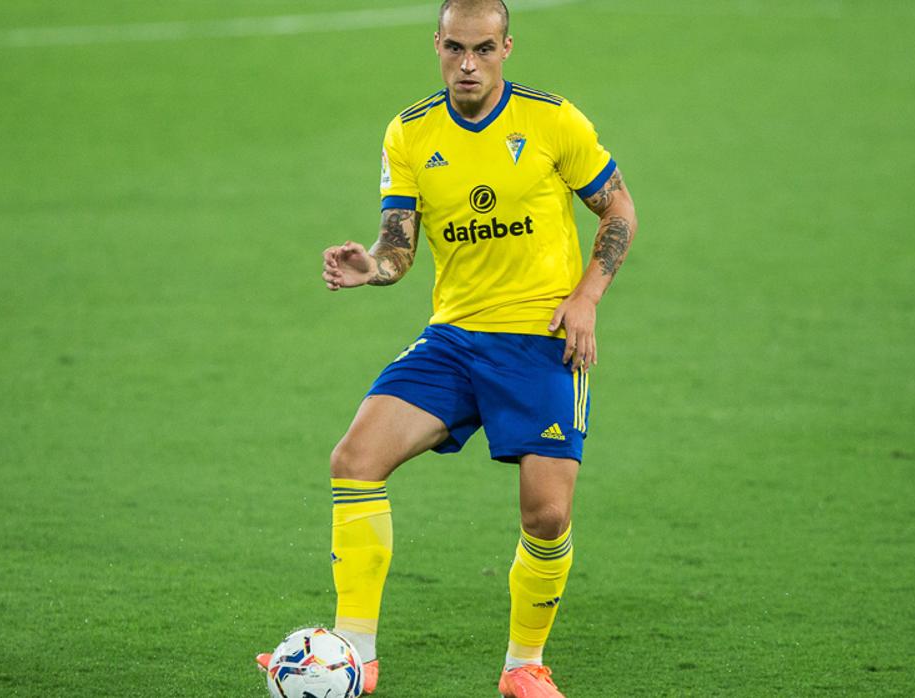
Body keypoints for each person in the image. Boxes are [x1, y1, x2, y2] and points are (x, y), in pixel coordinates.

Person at [258, 1, 637, 695]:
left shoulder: (553, 120)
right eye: (455, 48)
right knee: (354, 460)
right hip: (455, 340)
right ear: (436, 44)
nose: (468, 64)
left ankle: (523, 666)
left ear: (506, 48)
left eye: (483, 49)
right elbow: (398, 247)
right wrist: (370, 267)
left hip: (541, 340)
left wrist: (586, 297)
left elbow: (618, 209)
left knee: (547, 514)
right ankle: (355, 653)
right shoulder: (409, 132)